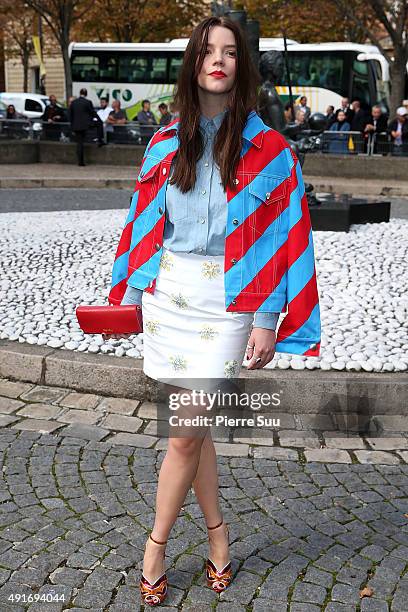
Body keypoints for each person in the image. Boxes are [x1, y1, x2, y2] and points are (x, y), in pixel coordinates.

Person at [106, 16, 321, 606]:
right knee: (190, 432)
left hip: (231, 303)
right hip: (172, 297)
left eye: (230, 52)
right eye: (208, 51)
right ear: (193, 63)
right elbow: (144, 219)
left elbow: (284, 236)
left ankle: (154, 547)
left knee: (182, 435)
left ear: (242, 65)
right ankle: (219, 537)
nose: (218, 61)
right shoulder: (164, 141)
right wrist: (129, 289)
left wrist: (267, 317)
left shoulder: (271, 150)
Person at [68, 88, 98, 166]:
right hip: (85, 126)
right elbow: (92, 112)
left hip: (76, 126)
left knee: (79, 143)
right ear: (86, 94)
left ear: (80, 93)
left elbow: (70, 115)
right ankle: (81, 161)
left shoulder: (74, 102)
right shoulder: (88, 102)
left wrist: (72, 125)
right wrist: (96, 120)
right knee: (82, 142)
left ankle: (80, 160)